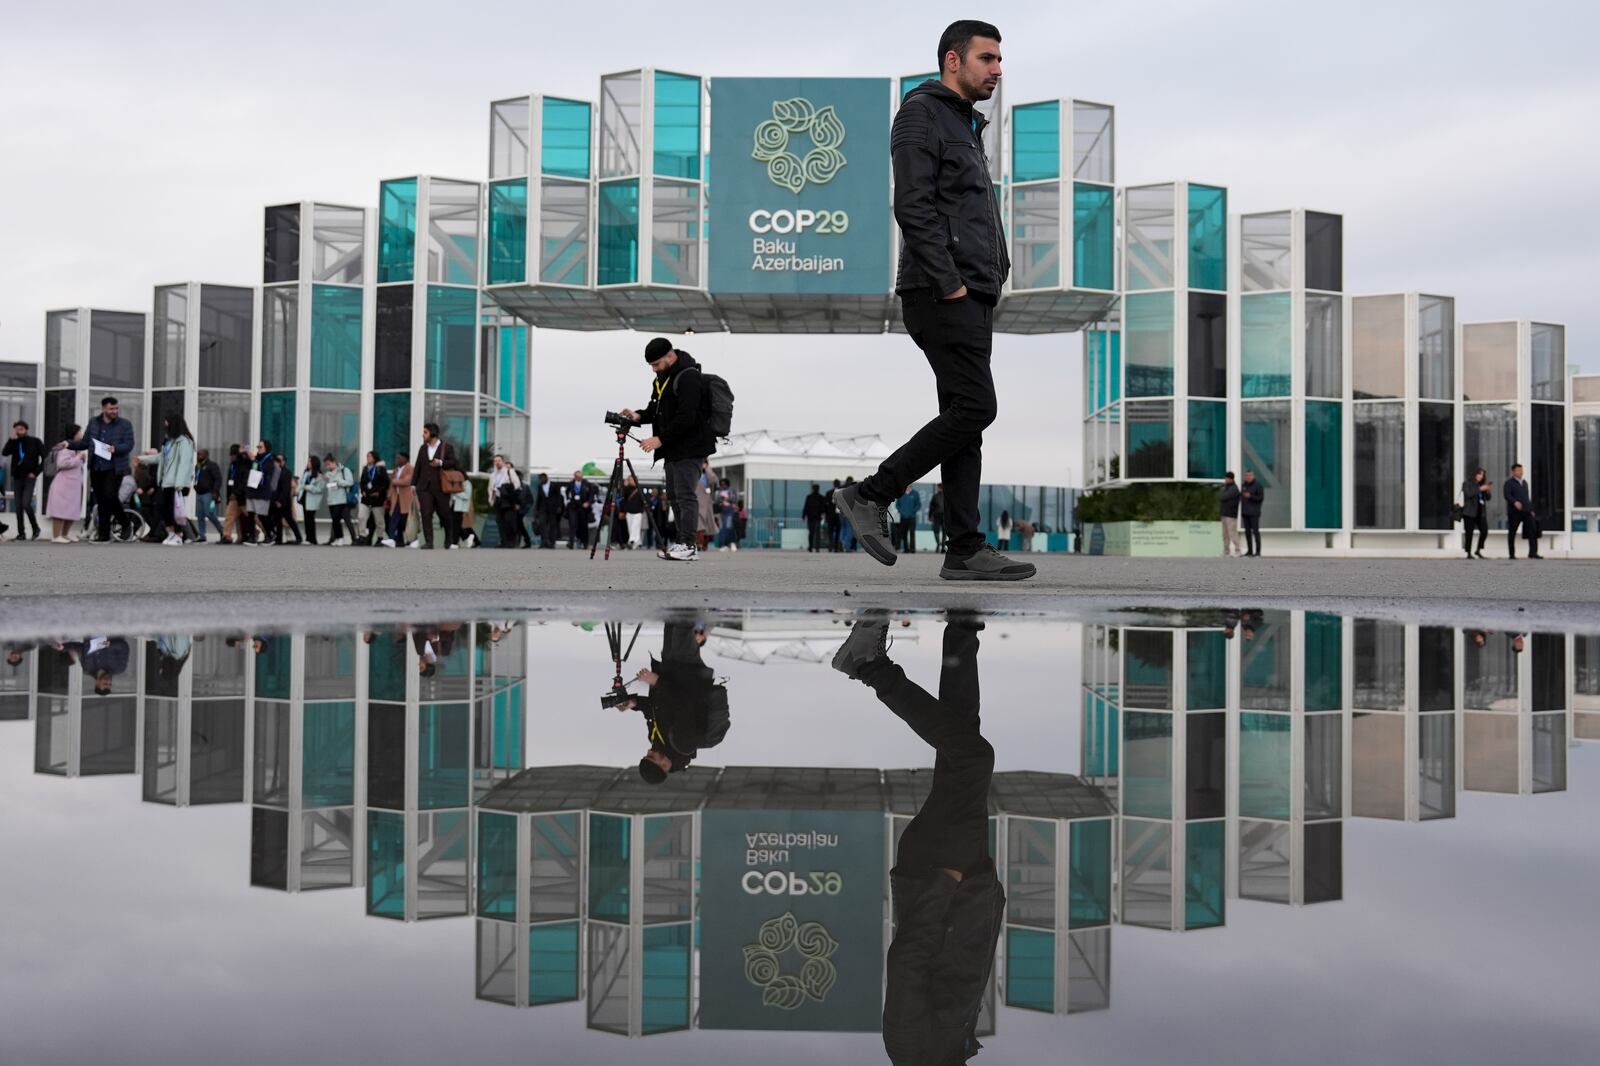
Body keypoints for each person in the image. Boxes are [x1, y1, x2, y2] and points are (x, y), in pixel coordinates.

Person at [832, 23, 1030, 582]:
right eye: (987, 58)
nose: (998, 69)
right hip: (942, 291)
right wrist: (951, 283)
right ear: (952, 61)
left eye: (1000, 60)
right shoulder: (921, 114)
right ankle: (871, 495)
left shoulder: (964, 123)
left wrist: (988, 278)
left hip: (970, 290)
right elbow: (912, 206)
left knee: (964, 419)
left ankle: (965, 548)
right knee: (976, 408)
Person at [831, 611, 1000, 1065]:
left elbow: (907, 962)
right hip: (967, 879)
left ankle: (867, 665)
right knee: (962, 734)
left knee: (972, 757)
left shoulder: (912, 1051)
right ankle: (961, 634)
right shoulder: (946, 1054)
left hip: (939, 874)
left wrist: (946, 883)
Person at [619, 338, 719, 563]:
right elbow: (656, 409)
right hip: (673, 448)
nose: (654, 369)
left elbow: (687, 416)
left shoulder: (689, 376)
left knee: (685, 496)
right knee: (674, 496)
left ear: (670, 356)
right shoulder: (662, 378)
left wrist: (659, 439)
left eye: (656, 364)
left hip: (691, 447)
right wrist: (637, 416)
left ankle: (689, 545)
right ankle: (682, 542)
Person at [614, 622, 728, 782]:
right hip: (688, 675)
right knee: (682, 623)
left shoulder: (657, 742)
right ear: (665, 765)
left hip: (671, 672)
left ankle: (700, 629)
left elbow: (658, 708)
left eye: (646, 755)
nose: (649, 751)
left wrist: (634, 703)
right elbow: (684, 702)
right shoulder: (683, 744)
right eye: (652, 757)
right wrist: (657, 681)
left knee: (672, 624)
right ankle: (699, 612)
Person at [67, 396, 135, 542]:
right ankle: (103, 534)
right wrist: (69, 444)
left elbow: (129, 444)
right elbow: (85, 443)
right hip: (97, 467)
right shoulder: (94, 423)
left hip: (115, 467)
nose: (114, 411)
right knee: (101, 501)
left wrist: (115, 449)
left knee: (110, 496)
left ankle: (125, 523)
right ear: (103, 408)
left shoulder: (124, 425)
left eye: (116, 408)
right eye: (111, 408)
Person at [136, 414, 197, 547]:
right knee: (163, 508)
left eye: (167, 422)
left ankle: (179, 535)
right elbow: (160, 458)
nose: (165, 425)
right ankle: (171, 533)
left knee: (174, 510)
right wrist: (142, 459)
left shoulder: (184, 442)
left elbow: (184, 463)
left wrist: (180, 483)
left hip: (176, 483)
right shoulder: (169, 442)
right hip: (165, 481)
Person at [412, 423, 460, 550]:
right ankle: (429, 542)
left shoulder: (446, 447)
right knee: (426, 513)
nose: (423, 434)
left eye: (425, 432)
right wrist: (413, 484)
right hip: (424, 487)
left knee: (444, 514)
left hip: (441, 487)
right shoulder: (423, 448)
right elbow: (418, 466)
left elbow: (454, 462)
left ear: (432, 433)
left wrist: (441, 462)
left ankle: (448, 539)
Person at [3, 420, 44, 541]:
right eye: (17, 429)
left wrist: (36, 472)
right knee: (18, 505)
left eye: (21, 429)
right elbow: (4, 453)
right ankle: (21, 532)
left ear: (26, 430)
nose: (19, 431)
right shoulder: (15, 443)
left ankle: (35, 528)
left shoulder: (35, 441)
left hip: (29, 476)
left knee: (26, 503)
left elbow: (44, 457)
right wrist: (11, 440)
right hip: (17, 477)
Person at [45, 426, 85, 543]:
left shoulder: (76, 448)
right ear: (74, 434)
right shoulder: (66, 447)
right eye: (79, 432)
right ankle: (56, 535)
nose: (81, 434)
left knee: (71, 509)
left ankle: (65, 534)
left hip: (73, 484)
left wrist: (80, 458)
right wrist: (78, 457)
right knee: (60, 509)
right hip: (64, 483)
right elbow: (62, 463)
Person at [1503, 463, 1543, 560]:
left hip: (1526, 511)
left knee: (1532, 530)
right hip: (1514, 512)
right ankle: (1511, 554)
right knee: (1512, 532)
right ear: (1513, 472)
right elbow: (1507, 495)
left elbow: (1526, 498)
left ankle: (1533, 553)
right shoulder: (1509, 483)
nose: (1520, 472)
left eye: (1521, 470)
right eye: (1518, 470)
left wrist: (1531, 509)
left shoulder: (1524, 483)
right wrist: (1514, 502)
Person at [243, 440, 275, 546]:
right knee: (250, 515)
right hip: (252, 490)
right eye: (257, 447)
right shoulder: (256, 459)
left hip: (262, 492)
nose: (258, 449)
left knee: (262, 515)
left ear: (266, 448)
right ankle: (252, 537)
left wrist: (254, 460)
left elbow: (266, 472)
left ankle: (270, 535)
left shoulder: (269, 459)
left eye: (260, 447)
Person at [321, 454, 358, 546]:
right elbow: (326, 486)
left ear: (334, 462)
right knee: (334, 520)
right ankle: (337, 538)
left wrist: (339, 482)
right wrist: (325, 480)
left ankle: (342, 538)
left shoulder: (344, 470)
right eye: (326, 465)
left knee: (337, 519)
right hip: (331, 500)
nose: (328, 466)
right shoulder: (328, 474)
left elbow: (350, 482)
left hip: (341, 499)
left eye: (329, 464)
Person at [191, 448, 225, 543]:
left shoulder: (212, 465)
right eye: (198, 454)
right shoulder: (197, 466)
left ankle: (222, 530)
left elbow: (218, 479)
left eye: (200, 454)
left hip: (208, 493)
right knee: (200, 515)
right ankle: (202, 535)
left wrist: (215, 491)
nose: (198, 456)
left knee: (209, 513)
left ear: (206, 455)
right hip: (199, 493)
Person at [490, 454, 523, 548]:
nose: (497, 463)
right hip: (498, 499)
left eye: (499, 460)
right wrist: (491, 500)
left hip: (508, 500)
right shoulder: (493, 475)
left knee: (509, 521)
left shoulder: (509, 471)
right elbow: (490, 488)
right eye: (495, 461)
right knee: (500, 522)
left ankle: (512, 541)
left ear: (503, 462)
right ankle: (503, 542)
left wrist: (507, 489)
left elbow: (517, 484)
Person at [357, 452, 390, 546]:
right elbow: (362, 482)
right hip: (366, 497)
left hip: (377, 498)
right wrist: (362, 490)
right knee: (361, 516)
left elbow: (386, 483)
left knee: (379, 519)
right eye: (367, 456)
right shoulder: (365, 468)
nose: (368, 458)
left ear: (375, 458)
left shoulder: (380, 469)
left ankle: (380, 538)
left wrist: (379, 492)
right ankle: (362, 536)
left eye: (370, 456)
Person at [384, 450, 414, 548]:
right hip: (396, 498)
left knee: (405, 520)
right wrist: (389, 495)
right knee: (394, 518)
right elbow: (391, 484)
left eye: (399, 458)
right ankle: (393, 538)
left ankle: (412, 539)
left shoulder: (410, 468)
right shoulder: (396, 469)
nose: (397, 459)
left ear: (405, 459)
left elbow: (407, 481)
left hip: (405, 498)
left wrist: (394, 481)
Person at [272, 454, 303, 544]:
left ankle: (298, 537)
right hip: (277, 499)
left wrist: (280, 501)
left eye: (280, 460)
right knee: (277, 520)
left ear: (284, 462)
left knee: (289, 519)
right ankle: (279, 538)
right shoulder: (275, 472)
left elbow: (285, 489)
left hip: (284, 501)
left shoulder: (287, 472)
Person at [1460, 468, 1491, 559]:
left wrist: (1488, 491)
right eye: (1479, 474)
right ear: (1474, 474)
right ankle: (1468, 552)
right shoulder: (1467, 483)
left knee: (1484, 531)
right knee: (1469, 533)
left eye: (1482, 475)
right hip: (1469, 512)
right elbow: (1468, 494)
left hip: (1480, 511)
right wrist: (1480, 489)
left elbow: (1488, 498)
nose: (1480, 477)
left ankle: (1478, 549)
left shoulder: (1482, 485)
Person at [224, 443, 251, 544]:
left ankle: (265, 532)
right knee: (230, 516)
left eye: (233, 455)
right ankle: (227, 536)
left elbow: (243, 482)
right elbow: (230, 482)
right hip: (234, 496)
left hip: (242, 496)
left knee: (252, 517)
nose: (231, 457)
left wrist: (236, 493)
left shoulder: (243, 465)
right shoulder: (232, 466)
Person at [297, 455, 325, 544]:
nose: (308, 463)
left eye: (310, 462)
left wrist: (309, 487)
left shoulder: (319, 476)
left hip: (312, 500)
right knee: (306, 519)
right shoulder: (306, 473)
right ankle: (308, 538)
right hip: (304, 497)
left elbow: (320, 489)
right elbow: (301, 483)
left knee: (310, 519)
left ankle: (312, 539)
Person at [563, 470, 594, 550]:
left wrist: (588, 503)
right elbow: (567, 492)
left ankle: (584, 543)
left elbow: (591, 495)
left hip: (583, 507)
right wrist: (569, 500)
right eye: (577, 477)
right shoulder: (571, 484)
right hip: (573, 507)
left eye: (580, 477)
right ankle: (571, 542)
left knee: (583, 526)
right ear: (575, 477)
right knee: (572, 524)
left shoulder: (587, 484)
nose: (579, 478)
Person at [1240, 470, 1265, 557]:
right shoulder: (1243, 486)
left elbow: (1260, 498)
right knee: (1247, 532)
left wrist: (1251, 496)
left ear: (1253, 476)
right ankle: (1249, 551)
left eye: (1249, 475)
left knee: (1255, 532)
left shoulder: (1258, 486)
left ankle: (1258, 552)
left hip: (1254, 513)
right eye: (1246, 475)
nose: (1247, 477)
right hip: (1245, 512)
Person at [534, 471, 562, 548]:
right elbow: (538, 498)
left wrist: (559, 507)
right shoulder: (540, 486)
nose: (541, 480)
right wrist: (536, 509)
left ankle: (552, 543)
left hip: (552, 508)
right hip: (543, 508)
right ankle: (544, 542)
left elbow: (558, 497)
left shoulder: (554, 485)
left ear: (546, 478)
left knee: (552, 525)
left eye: (542, 479)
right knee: (542, 524)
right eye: (540, 479)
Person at [1219, 471, 1243, 558]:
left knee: (1232, 533)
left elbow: (1223, 497)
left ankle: (1238, 550)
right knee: (1225, 534)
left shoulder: (1233, 489)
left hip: (1231, 515)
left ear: (1230, 479)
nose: (1225, 480)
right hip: (1224, 514)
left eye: (1226, 478)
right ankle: (1226, 551)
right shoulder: (1227, 487)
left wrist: (1222, 493)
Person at [620, 474, 645, 549]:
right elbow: (623, 499)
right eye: (630, 479)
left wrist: (642, 509)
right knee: (630, 527)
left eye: (633, 479)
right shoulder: (626, 489)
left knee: (635, 526)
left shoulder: (640, 489)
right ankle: (637, 542)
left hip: (638, 512)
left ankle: (631, 540)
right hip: (629, 511)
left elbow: (644, 500)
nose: (631, 481)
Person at [714, 477, 738, 551]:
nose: (723, 486)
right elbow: (717, 501)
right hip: (722, 511)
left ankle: (730, 543)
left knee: (728, 527)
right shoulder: (718, 492)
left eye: (724, 484)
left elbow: (734, 499)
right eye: (721, 484)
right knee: (722, 528)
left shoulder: (731, 490)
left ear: (727, 484)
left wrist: (726, 499)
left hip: (729, 510)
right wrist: (720, 500)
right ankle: (722, 544)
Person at [803, 483, 828, 553]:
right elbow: (824, 508)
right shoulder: (821, 498)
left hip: (810, 518)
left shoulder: (809, 497)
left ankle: (810, 547)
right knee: (817, 534)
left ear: (813, 489)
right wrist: (824, 515)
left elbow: (806, 507)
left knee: (811, 533)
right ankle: (817, 548)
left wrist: (803, 516)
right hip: (818, 518)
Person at [896, 486, 921, 553]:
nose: (907, 488)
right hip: (903, 517)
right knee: (904, 533)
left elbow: (918, 505)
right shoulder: (901, 493)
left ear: (911, 487)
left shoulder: (915, 493)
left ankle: (912, 549)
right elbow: (897, 505)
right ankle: (906, 549)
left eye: (909, 486)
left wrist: (912, 512)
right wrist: (901, 511)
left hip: (912, 517)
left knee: (912, 533)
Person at [826, 478, 844, 552]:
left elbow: (826, 505)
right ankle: (836, 547)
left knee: (830, 531)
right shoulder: (842, 492)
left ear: (833, 484)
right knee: (838, 531)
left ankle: (830, 546)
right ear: (839, 484)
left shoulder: (828, 493)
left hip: (830, 515)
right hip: (838, 515)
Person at [928, 483, 946, 552]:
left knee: (937, 531)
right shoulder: (946, 496)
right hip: (942, 516)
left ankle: (939, 545)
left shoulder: (935, 496)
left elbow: (931, 507)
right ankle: (942, 546)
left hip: (938, 516)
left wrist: (930, 516)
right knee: (942, 532)